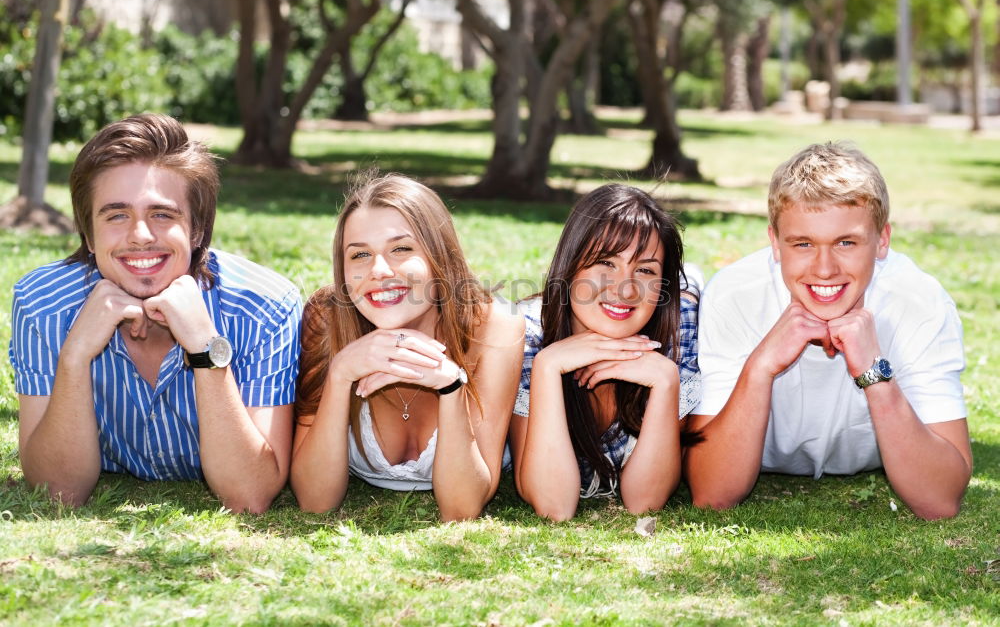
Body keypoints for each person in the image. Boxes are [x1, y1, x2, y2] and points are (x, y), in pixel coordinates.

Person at [10, 114, 301, 513]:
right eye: (116, 215)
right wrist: (75, 355)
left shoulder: (265, 308)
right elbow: (59, 491)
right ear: (88, 233)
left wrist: (204, 349)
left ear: (196, 229)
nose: (141, 235)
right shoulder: (42, 303)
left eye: (162, 214)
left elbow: (248, 495)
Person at [685, 142, 972, 520]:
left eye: (846, 242)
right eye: (803, 243)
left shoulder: (920, 303)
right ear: (774, 242)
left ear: (882, 240)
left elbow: (939, 499)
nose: (824, 269)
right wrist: (761, 366)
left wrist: (874, 373)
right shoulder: (735, 295)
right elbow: (712, 494)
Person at [290, 173, 523, 521]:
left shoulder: (493, 328)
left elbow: (462, 508)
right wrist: (340, 375)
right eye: (360, 255)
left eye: (401, 249)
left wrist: (451, 387)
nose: (379, 270)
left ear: (439, 257)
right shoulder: (326, 320)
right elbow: (314, 501)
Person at [509, 185, 700, 521]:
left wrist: (666, 382)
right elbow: (554, 506)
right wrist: (547, 367)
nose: (625, 289)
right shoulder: (524, 335)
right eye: (606, 263)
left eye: (645, 270)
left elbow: (645, 501)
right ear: (570, 267)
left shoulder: (678, 327)